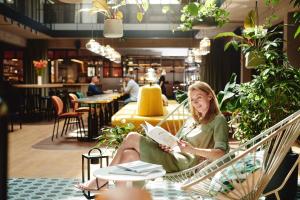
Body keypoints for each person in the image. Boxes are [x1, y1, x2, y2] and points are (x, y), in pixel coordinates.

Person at [75, 81, 229, 191]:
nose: (195, 103)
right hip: (172, 155)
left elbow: (221, 153)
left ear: (209, 96)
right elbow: (177, 141)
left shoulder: (218, 120)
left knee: (132, 136)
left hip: (185, 163)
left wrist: (192, 149)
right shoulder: (191, 119)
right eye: (193, 100)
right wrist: (168, 144)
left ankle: (103, 178)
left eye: (199, 98)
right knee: (130, 154)